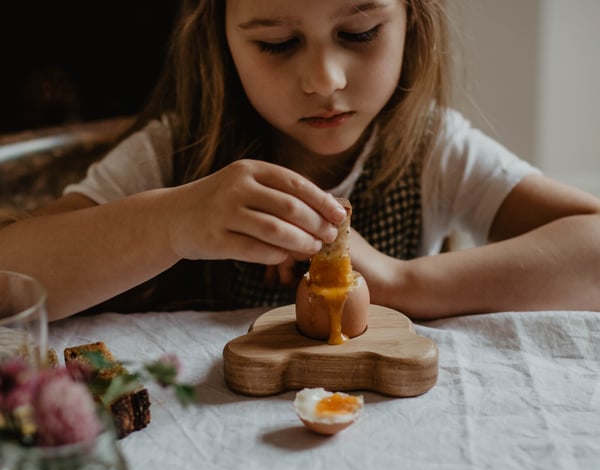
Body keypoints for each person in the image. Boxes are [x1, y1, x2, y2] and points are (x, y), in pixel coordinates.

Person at [1, 0, 599, 322]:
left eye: (360, 32)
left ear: (412, 17)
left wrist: (401, 282)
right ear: (221, 38)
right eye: (277, 44)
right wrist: (170, 223)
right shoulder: (174, 155)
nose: (324, 79)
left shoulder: (432, 148)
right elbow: (9, 280)